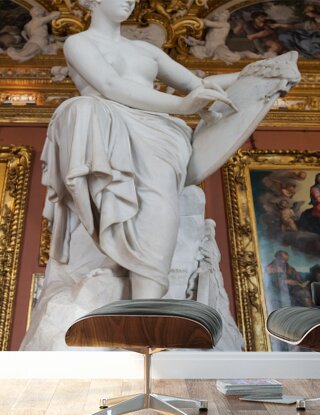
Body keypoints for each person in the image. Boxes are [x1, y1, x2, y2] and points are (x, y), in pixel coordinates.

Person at [41, 0, 235, 299]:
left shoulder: (147, 51)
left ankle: (148, 302)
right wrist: (181, 106)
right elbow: (110, 85)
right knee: (82, 107)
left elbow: (200, 85)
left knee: (159, 198)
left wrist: (257, 75)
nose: (129, 2)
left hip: (157, 130)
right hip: (107, 123)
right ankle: (139, 300)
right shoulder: (79, 42)